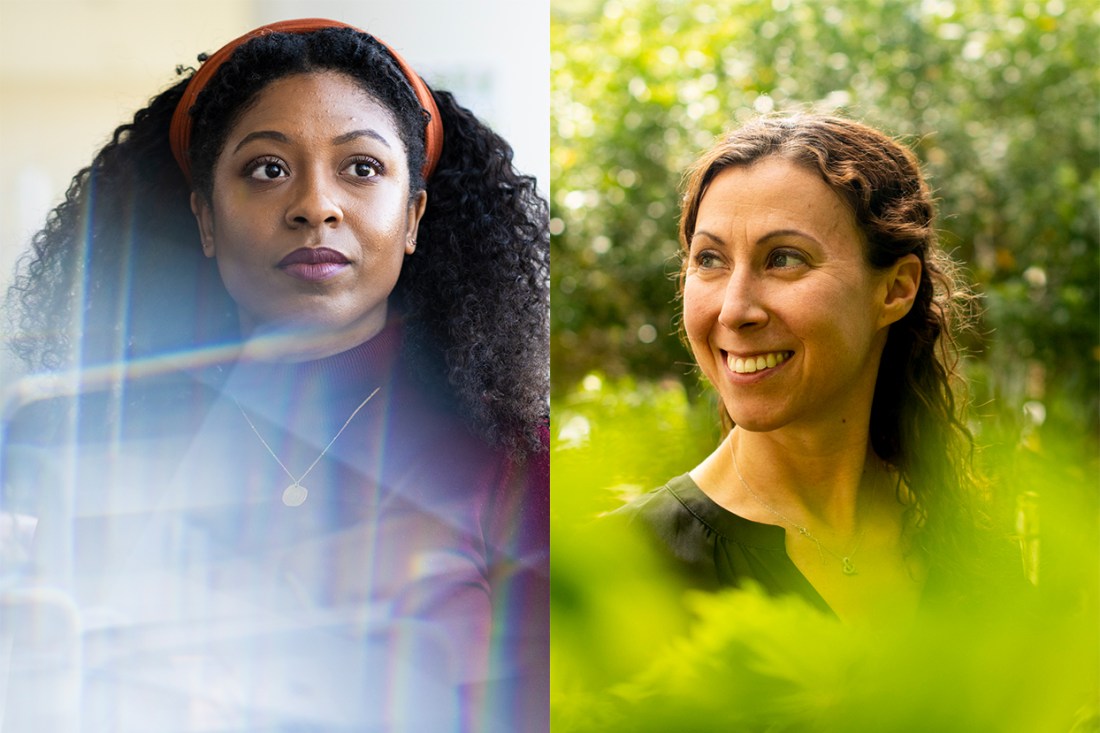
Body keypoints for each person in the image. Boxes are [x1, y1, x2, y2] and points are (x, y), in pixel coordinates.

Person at [1, 18, 548, 732]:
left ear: (413, 216)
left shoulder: (513, 456)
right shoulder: (72, 439)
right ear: (205, 217)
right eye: (267, 168)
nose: (313, 206)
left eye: (361, 168)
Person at [619, 114, 1018, 626]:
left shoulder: (978, 555)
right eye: (711, 260)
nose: (734, 309)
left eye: (784, 259)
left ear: (896, 289)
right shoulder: (623, 569)